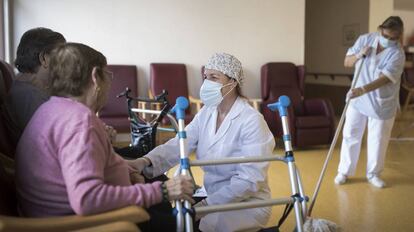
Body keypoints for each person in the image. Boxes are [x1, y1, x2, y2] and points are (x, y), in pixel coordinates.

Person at [15, 43, 194, 232]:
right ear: (95, 77)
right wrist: (162, 192)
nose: (110, 83)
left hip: (55, 212)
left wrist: (126, 172)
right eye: (108, 75)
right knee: (181, 221)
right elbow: (86, 198)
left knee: (161, 192)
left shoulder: (52, 108)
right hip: (84, 223)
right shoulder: (79, 122)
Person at [129, 52, 276, 232]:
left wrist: (203, 207)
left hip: (246, 203)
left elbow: (249, 180)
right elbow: (180, 144)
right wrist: (144, 161)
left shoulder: (251, 120)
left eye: (214, 77)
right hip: (211, 195)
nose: (207, 83)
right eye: (206, 77)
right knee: (167, 211)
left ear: (233, 82)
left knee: (189, 224)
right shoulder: (208, 112)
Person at [335, 16, 405, 188]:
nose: (388, 40)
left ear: (399, 36)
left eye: (393, 38)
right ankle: (344, 171)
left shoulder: (398, 53)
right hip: (357, 99)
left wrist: (363, 89)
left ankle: (373, 174)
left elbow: (385, 79)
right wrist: (359, 55)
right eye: (386, 35)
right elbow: (347, 62)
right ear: (380, 29)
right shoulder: (365, 39)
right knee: (350, 134)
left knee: (378, 139)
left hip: (381, 102)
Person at [2, 27, 66, 147]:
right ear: (44, 59)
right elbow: (58, 142)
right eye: (61, 55)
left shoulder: (26, 88)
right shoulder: (29, 96)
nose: (65, 62)